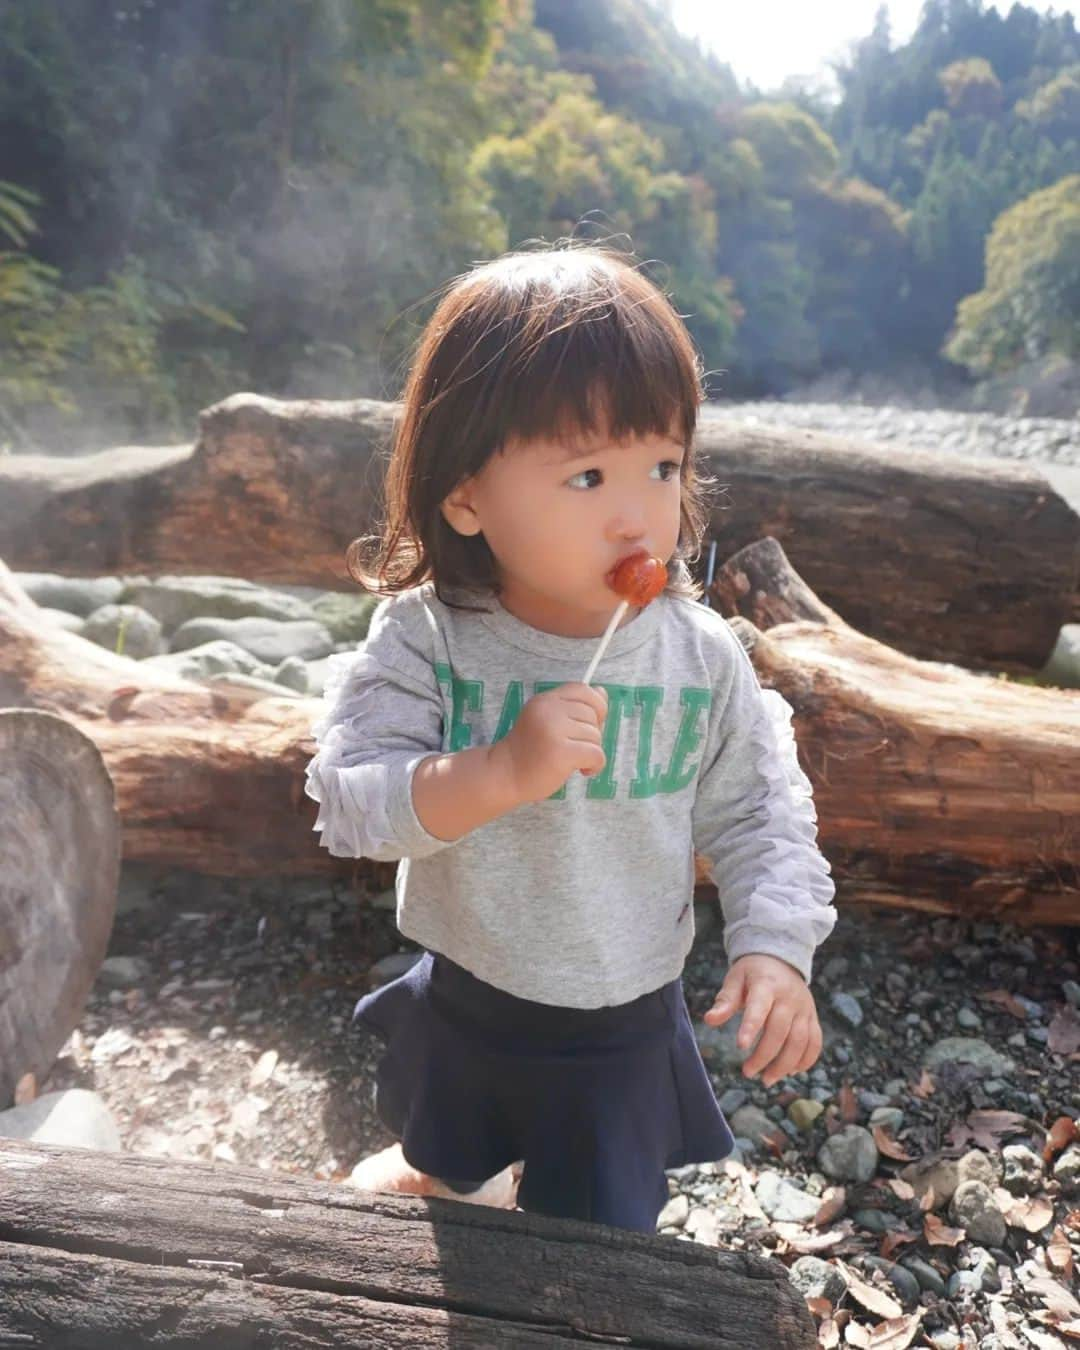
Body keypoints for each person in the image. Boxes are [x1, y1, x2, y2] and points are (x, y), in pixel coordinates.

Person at [304, 242, 837, 1233]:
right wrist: (498, 771)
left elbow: (763, 811)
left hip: (622, 1019)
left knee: (592, 1236)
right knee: (454, 1156)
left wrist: (776, 948)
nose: (639, 511)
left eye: (663, 464)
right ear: (466, 497)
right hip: (470, 987)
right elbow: (350, 800)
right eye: (587, 475)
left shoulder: (699, 654)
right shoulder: (432, 638)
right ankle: (450, 1181)